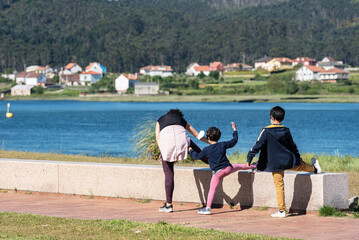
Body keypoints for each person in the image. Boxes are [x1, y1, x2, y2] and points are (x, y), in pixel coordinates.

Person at [246, 106, 322, 218]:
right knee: (301, 166)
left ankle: (282, 211)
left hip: (275, 163)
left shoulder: (266, 130)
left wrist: (249, 158)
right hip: (287, 160)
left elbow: (257, 145)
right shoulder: (286, 130)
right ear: (282, 118)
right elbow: (293, 145)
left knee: (279, 185)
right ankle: (315, 169)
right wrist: (297, 157)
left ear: (271, 117)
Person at [189, 122, 255, 215]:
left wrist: (190, 151)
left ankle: (207, 208)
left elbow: (197, 157)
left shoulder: (206, 150)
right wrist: (235, 130)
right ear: (218, 137)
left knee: (212, 190)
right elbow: (234, 141)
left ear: (208, 138)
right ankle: (253, 166)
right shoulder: (223, 145)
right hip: (228, 168)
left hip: (218, 173)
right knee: (239, 166)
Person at [156, 109, 209, 213]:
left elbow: (158, 137)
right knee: (191, 143)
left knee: (169, 174)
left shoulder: (160, 120)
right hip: (182, 140)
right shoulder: (181, 119)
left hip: (166, 143)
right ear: (179, 115)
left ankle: (168, 205)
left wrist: (163, 151)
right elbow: (197, 135)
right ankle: (210, 161)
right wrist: (211, 142)